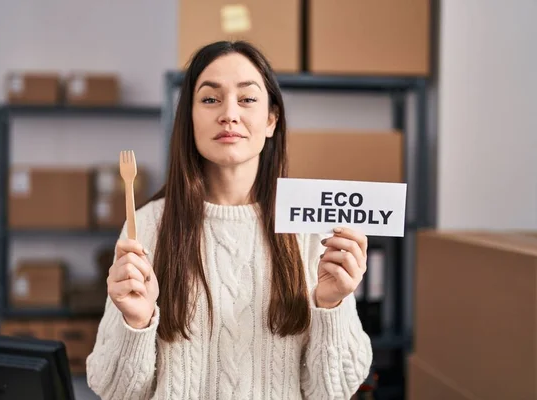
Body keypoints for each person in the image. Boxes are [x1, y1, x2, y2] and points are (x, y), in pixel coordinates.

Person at [86, 40, 373, 399]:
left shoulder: (312, 230)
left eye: (248, 99)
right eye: (210, 99)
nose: (229, 114)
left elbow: (333, 390)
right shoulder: (144, 226)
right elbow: (115, 390)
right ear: (188, 119)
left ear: (271, 120)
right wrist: (137, 323)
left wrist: (332, 305)